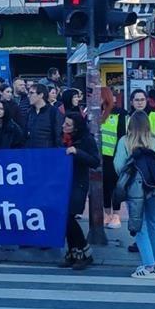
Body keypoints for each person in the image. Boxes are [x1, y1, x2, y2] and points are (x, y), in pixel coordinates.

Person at [113, 111, 155, 279]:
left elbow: (119, 166)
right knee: (154, 224)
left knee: (139, 226)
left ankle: (148, 266)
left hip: (134, 190)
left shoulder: (125, 141)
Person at [58, 111, 100, 270]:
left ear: (76, 127)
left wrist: (77, 152)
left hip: (78, 183)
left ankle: (84, 251)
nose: (64, 127)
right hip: (63, 182)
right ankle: (73, 252)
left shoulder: (86, 139)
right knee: (64, 218)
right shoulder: (62, 138)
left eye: (68, 125)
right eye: (64, 123)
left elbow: (95, 161)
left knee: (69, 216)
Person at [100, 88, 125, 229]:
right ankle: (107, 214)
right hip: (101, 157)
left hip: (114, 157)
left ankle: (116, 215)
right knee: (104, 187)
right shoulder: (95, 113)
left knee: (115, 186)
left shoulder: (119, 114)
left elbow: (121, 135)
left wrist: (119, 156)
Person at [26, 84, 62, 148]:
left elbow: (58, 135)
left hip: (48, 152)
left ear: (41, 95)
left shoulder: (53, 112)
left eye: (31, 93)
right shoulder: (29, 112)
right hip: (31, 152)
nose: (28, 96)